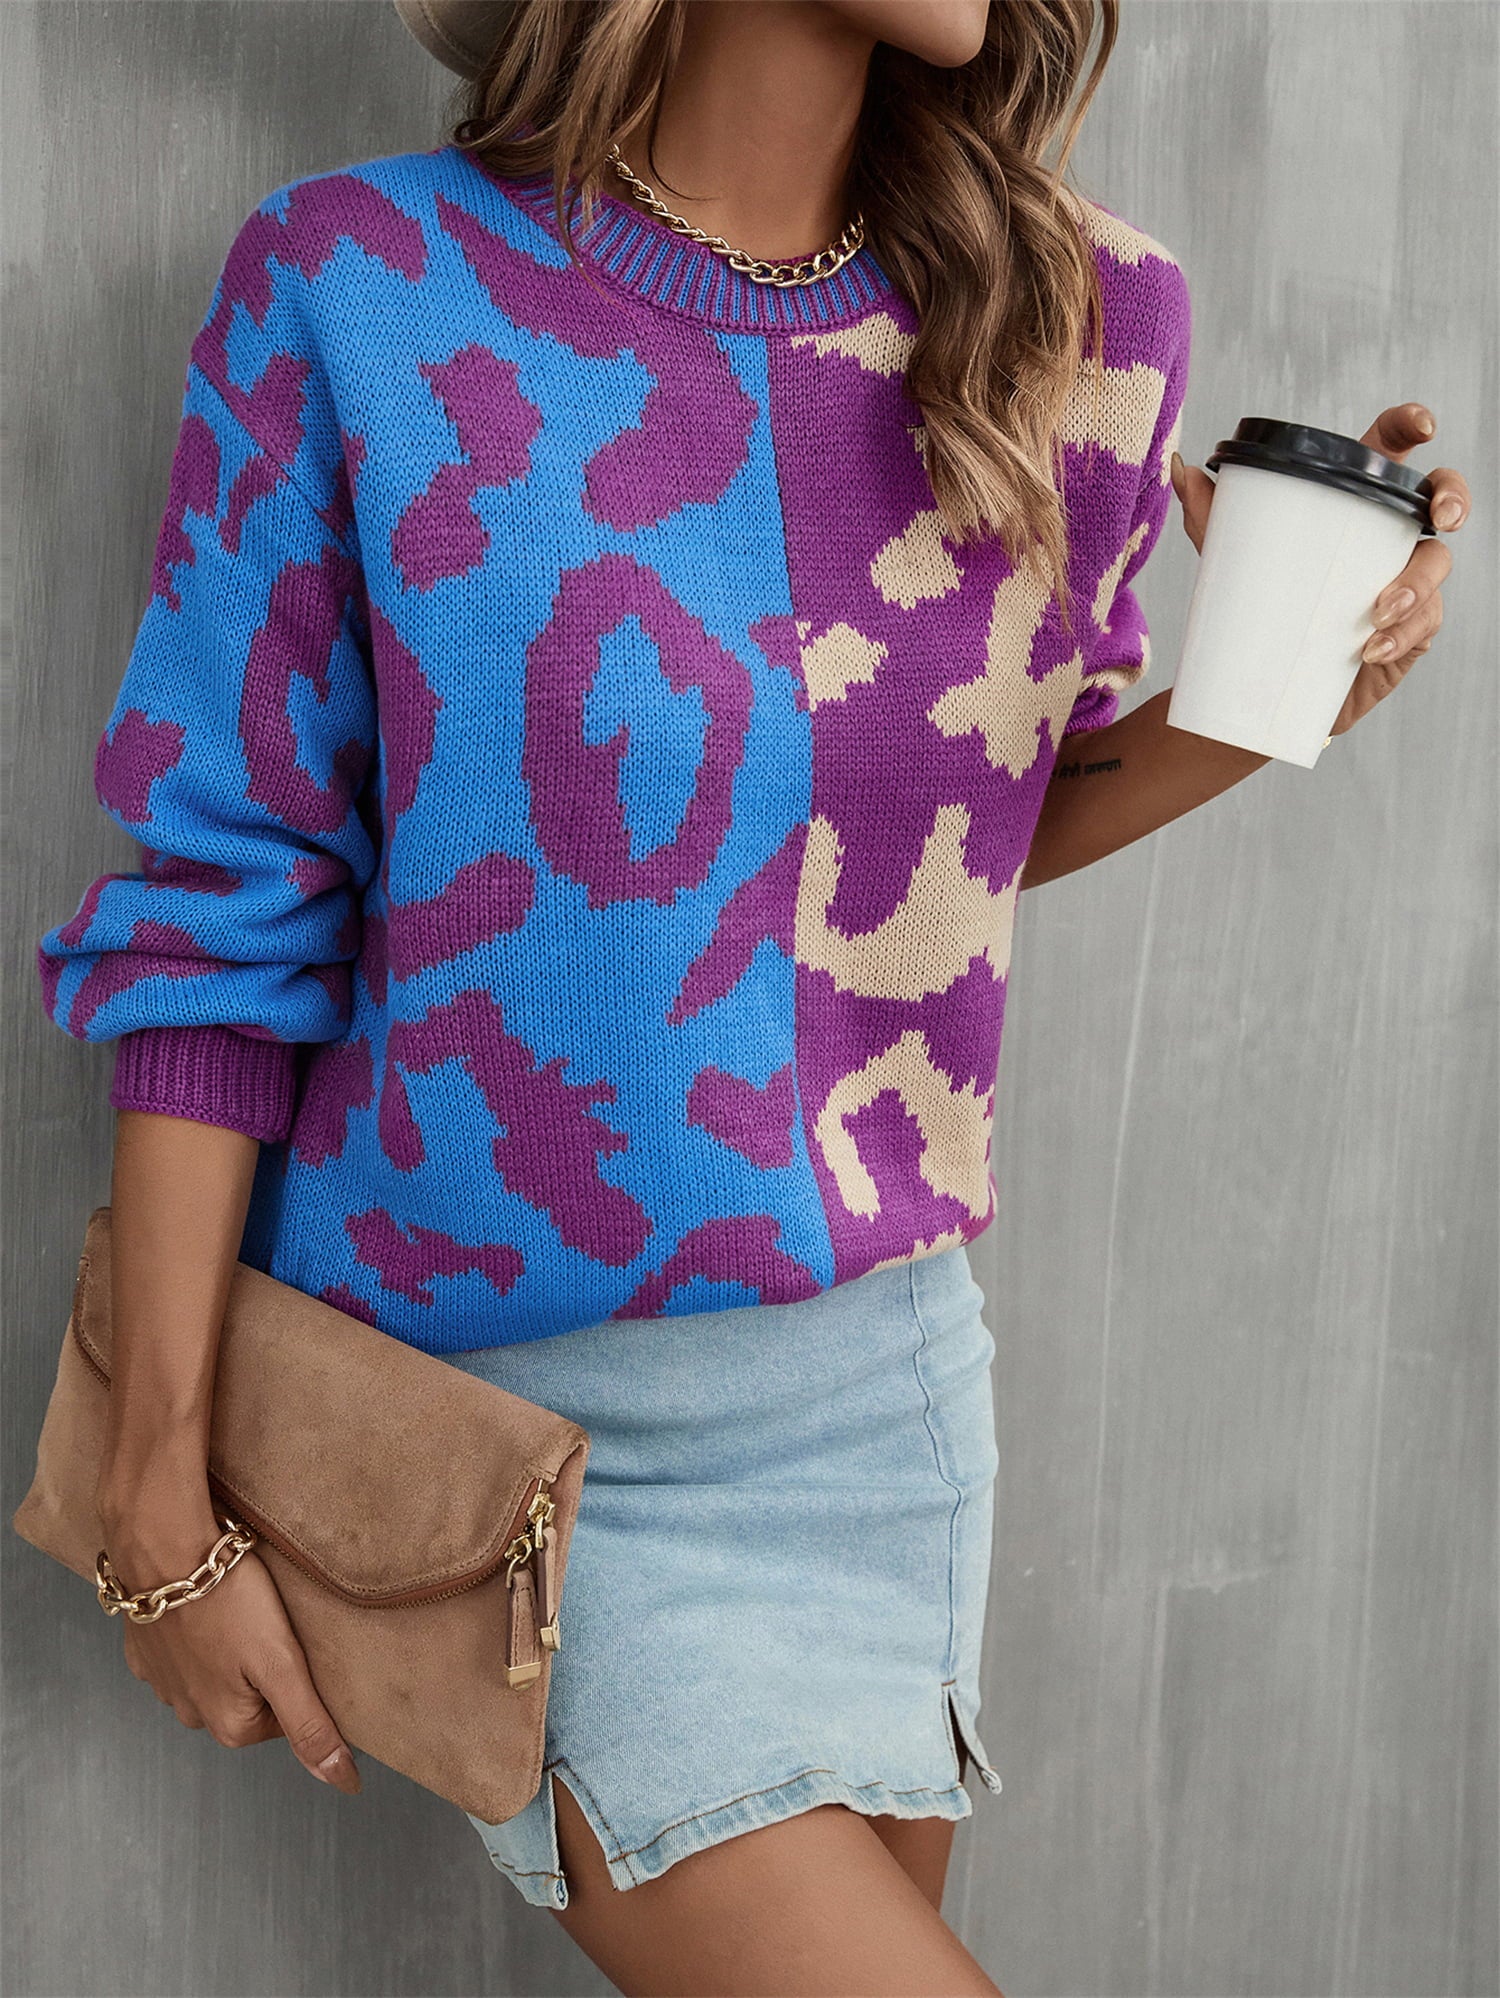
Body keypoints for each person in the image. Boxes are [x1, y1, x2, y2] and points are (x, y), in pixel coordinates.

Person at [34, 2, 1468, 1992]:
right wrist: (155, 1493)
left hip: (882, 1415)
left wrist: (1274, 695)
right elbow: (222, 909)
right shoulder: (361, 283)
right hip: (515, 1461)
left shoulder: (1084, 319)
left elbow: (946, 837)